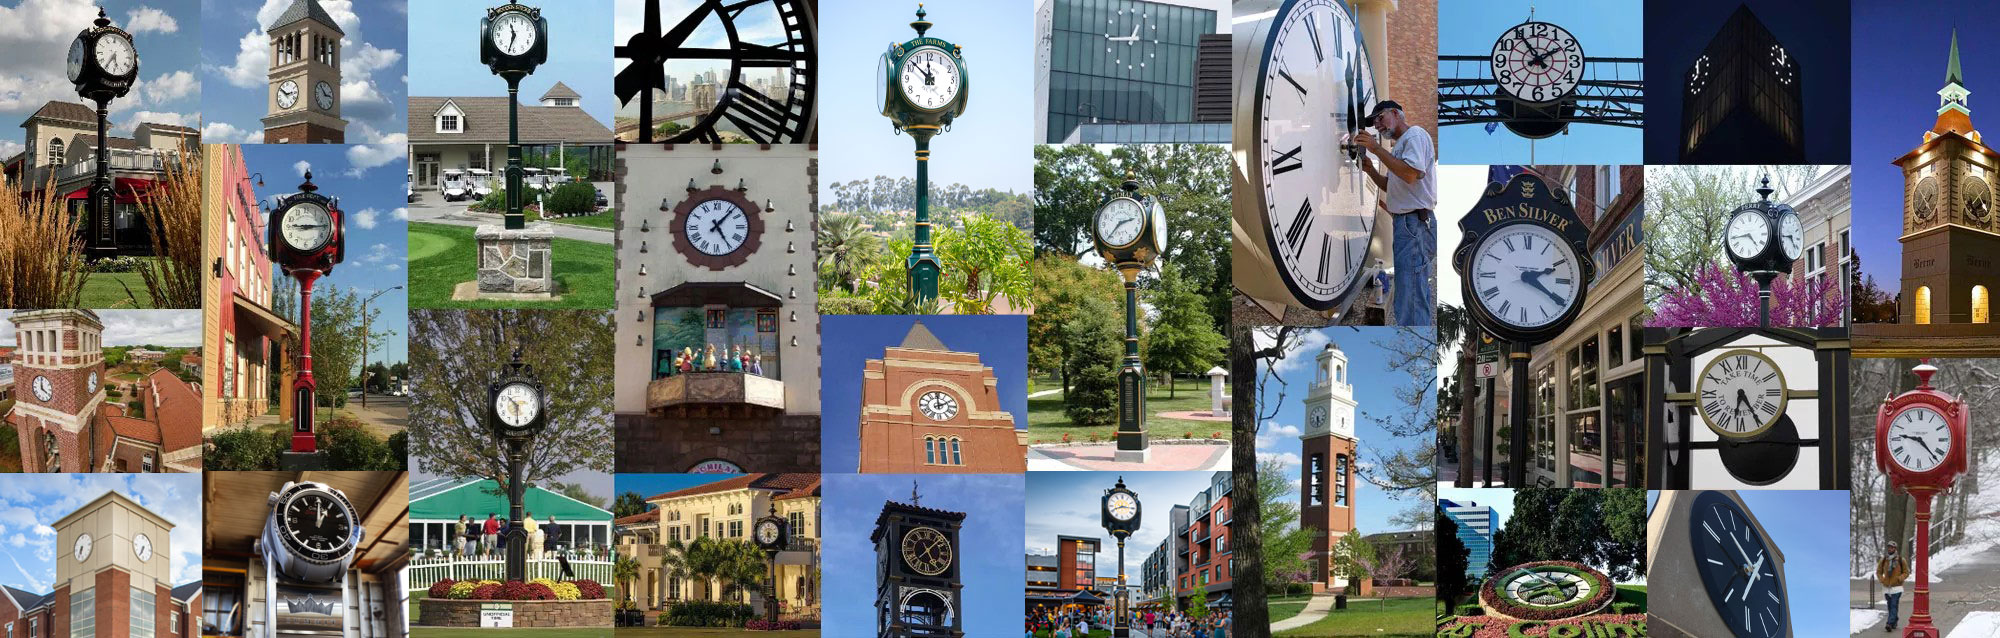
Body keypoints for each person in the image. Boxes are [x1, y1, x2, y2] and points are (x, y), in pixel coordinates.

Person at [1354, 99, 1437, 326]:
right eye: (1374, 123)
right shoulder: (1400, 145)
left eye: (1380, 118)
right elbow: (1393, 184)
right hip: (1409, 223)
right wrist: (1371, 170)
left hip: (1413, 224)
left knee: (1409, 293)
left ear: (1396, 113)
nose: (1378, 126)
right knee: (1411, 289)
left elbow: (1411, 174)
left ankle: (1413, 331)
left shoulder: (1415, 135)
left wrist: (1376, 149)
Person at [1879, 541, 1910, 632]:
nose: (1890, 549)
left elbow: (1906, 572)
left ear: (1895, 549)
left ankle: (1889, 623)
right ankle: (1894, 621)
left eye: (1892, 547)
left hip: (1897, 587)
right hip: (1886, 587)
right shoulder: (1884, 559)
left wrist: (1900, 578)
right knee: (1890, 606)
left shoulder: (1901, 560)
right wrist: (1882, 579)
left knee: (1893, 604)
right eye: (1889, 547)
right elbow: (1878, 571)